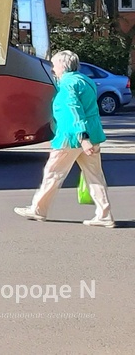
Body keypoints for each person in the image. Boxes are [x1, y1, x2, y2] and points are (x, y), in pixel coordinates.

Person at [14, 50, 115, 228]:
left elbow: (74, 110)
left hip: (71, 137)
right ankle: (104, 215)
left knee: (53, 173)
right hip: (92, 135)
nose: (53, 69)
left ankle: (38, 210)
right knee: (95, 176)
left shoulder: (67, 84)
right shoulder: (86, 81)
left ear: (63, 65)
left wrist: (82, 137)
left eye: (54, 65)